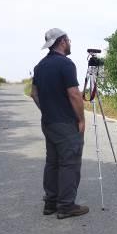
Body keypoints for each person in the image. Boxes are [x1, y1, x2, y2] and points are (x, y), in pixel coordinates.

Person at [30, 28, 89, 219]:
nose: (70, 43)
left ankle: (50, 203)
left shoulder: (40, 66)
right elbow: (74, 94)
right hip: (65, 123)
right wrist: (81, 119)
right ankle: (66, 205)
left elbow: (34, 94)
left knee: (52, 162)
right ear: (62, 41)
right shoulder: (66, 64)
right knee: (69, 163)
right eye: (68, 40)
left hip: (48, 122)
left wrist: (47, 111)